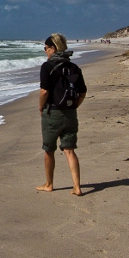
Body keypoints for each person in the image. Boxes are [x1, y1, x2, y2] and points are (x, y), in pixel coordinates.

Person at [36, 33, 87, 196]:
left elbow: (44, 91)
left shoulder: (47, 67)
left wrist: (40, 106)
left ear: (53, 48)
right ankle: (77, 187)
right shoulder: (74, 67)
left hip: (53, 113)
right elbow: (83, 92)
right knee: (70, 150)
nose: (45, 52)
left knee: (49, 149)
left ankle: (49, 184)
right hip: (70, 114)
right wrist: (74, 107)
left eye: (45, 48)